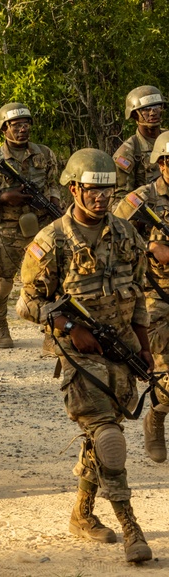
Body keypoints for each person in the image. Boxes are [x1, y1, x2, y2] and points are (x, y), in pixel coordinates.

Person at [17, 149, 153, 564]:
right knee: (109, 438)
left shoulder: (127, 235)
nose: (101, 196)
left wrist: (145, 347)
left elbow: (141, 296)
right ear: (74, 188)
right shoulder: (51, 241)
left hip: (123, 352)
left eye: (107, 189)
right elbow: (27, 305)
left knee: (104, 435)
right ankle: (132, 527)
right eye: (92, 189)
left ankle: (82, 514)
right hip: (79, 357)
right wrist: (71, 328)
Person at [0, 103, 61, 347]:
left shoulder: (44, 154)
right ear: (4, 128)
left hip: (40, 229)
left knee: (48, 280)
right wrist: (1, 198)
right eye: (16, 125)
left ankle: (51, 330)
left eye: (26, 124)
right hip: (5, 231)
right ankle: (0, 323)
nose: (23, 129)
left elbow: (53, 183)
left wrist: (54, 201)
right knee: (0, 285)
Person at [112, 131, 169, 464]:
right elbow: (111, 232)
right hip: (156, 296)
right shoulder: (141, 198)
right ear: (161, 162)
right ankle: (157, 418)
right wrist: (149, 247)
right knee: (165, 376)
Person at [114, 86, 165, 200]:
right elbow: (119, 201)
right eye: (146, 109)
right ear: (134, 114)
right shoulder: (127, 153)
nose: (153, 113)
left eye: (156, 107)